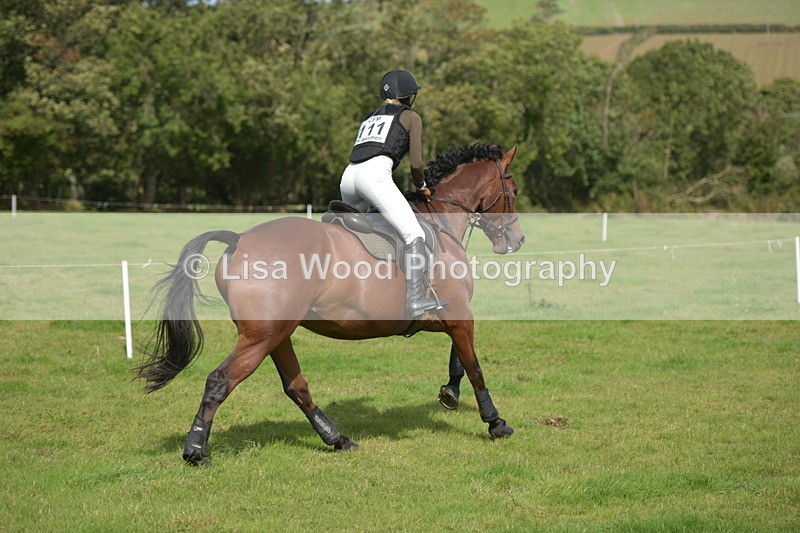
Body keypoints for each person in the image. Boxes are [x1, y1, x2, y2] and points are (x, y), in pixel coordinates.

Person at [340, 70, 441, 318]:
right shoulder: (410, 117)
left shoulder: (370, 117)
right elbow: (416, 164)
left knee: (351, 235)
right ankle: (416, 299)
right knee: (414, 233)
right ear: (409, 96)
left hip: (348, 177)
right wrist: (422, 186)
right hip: (373, 177)